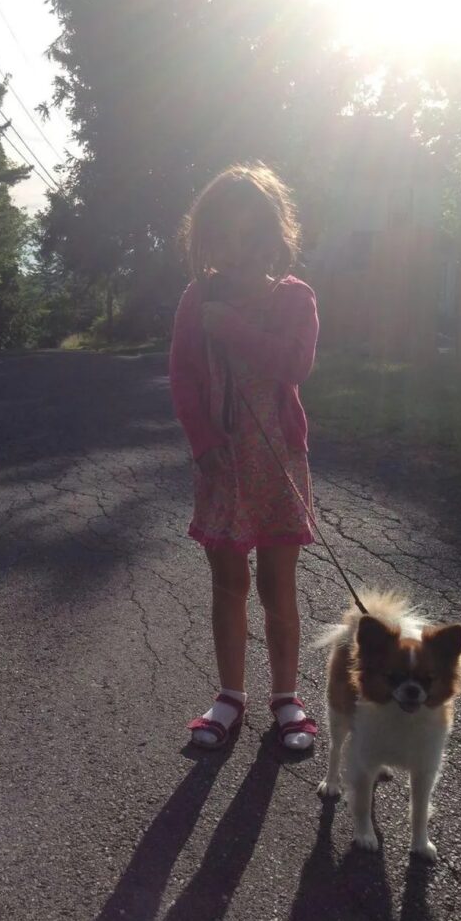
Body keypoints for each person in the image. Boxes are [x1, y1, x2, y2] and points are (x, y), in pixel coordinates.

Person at [169, 163, 320, 751]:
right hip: (222, 464)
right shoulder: (196, 298)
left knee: (277, 585)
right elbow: (182, 377)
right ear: (204, 241)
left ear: (271, 236)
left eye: (247, 237)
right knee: (227, 581)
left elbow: (296, 365)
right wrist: (203, 445)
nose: (233, 252)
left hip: (278, 458)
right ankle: (229, 696)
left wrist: (233, 329)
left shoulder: (294, 298)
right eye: (220, 239)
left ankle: (287, 698)